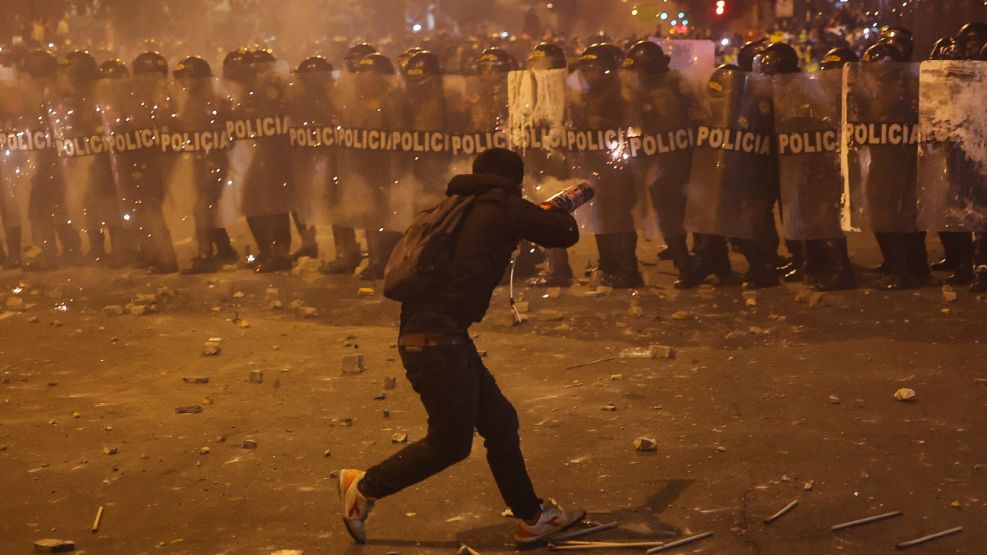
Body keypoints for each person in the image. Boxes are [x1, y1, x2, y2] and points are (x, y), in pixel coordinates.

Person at [339, 148, 585, 545]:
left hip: (437, 336)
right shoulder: (504, 205)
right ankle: (364, 487)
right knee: (450, 443)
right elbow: (565, 234)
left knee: (501, 422)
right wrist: (561, 206)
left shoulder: (456, 204)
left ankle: (531, 517)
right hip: (438, 342)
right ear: (514, 180)